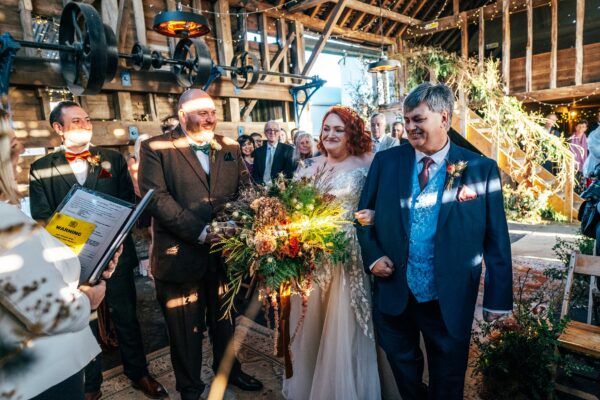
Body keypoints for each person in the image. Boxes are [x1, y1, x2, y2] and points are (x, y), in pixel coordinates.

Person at [356, 83, 513, 400]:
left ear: (444, 118)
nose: (410, 127)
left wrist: (498, 297)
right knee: (403, 365)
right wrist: (373, 256)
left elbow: (496, 239)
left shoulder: (480, 169)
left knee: (449, 374)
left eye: (418, 119)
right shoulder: (387, 163)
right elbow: (362, 216)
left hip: (448, 294)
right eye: (407, 120)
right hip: (395, 289)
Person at [28, 101, 166, 400]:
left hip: (114, 254)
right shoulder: (41, 168)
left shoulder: (111, 160)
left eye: (87, 119)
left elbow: (128, 200)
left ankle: (138, 372)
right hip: (69, 259)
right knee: (83, 323)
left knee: (127, 315)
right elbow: (41, 216)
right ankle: (91, 386)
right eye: (76, 121)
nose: (85, 124)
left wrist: (112, 241)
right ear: (58, 128)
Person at [138, 89, 263, 400]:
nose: (210, 117)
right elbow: (156, 199)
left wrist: (250, 214)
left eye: (212, 111)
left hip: (224, 255)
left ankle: (230, 373)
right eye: (201, 112)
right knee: (184, 330)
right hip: (180, 256)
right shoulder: (155, 147)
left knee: (225, 323)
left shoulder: (229, 145)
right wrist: (203, 232)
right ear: (182, 115)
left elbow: (245, 189)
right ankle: (191, 388)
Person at [0, 109, 120, 399]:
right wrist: (88, 297)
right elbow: (52, 312)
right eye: (12, 142)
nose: (22, 148)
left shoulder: (110, 159)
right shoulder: (6, 221)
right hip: (41, 374)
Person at [283, 105, 381, 400]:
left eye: (339, 129)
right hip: (314, 255)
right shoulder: (308, 167)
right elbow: (292, 210)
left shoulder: (370, 161)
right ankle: (313, 383)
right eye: (326, 129)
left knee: (346, 324)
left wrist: (376, 214)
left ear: (351, 131)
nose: (331, 134)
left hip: (350, 253)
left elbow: (385, 199)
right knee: (311, 324)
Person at [569, 120, 589, 193]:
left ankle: (582, 202)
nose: (581, 128)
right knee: (572, 185)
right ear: (575, 127)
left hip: (584, 167)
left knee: (582, 186)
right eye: (579, 126)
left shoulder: (588, 140)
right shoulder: (570, 139)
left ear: (586, 129)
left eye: (583, 127)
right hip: (572, 166)